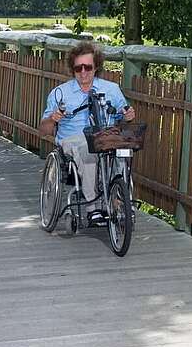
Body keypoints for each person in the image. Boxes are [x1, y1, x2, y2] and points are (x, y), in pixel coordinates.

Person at [38, 40, 135, 222]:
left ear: (96, 67)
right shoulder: (60, 93)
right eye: (78, 68)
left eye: (88, 67)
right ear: (72, 69)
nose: (83, 72)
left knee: (121, 153)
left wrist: (127, 116)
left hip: (106, 136)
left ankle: (120, 202)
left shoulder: (111, 89)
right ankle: (93, 208)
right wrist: (53, 118)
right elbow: (43, 130)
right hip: (74, 138)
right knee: (88, 150)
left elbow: (124, 116)